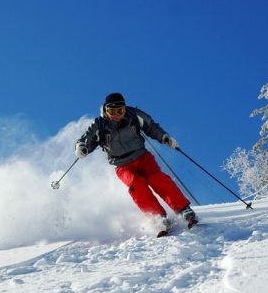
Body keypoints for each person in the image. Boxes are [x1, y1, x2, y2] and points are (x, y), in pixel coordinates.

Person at [75, 92, 198, 236]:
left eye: (120, 111)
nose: (116, 115)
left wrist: (164, 137)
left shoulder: (133, 115)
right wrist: (82, 148)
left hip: (142, 156)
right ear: (106, 110)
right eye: (112, 111)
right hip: (122, 164)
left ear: (124, 109)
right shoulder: (100, 125)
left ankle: (183, 209)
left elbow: (151, 127)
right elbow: (85, 140)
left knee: (156, 177)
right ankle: (157, 217)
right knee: (136, 184)